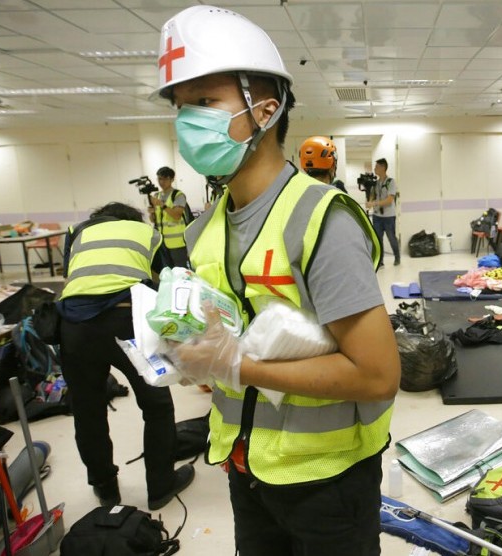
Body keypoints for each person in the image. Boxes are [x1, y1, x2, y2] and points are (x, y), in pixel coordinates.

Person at [153, 6, 400, 555]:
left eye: (204, 102)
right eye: (180, 107)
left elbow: (378, 375)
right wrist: (194, 355)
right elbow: (227, 348)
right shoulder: (205, 230)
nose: (187, 121)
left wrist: (237, 365)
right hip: (246, 465)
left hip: (327, 481)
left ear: (266, 110)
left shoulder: (320, 220)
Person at [57, 201, 194, 510]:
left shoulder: (75, 232)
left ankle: (106, 489)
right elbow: (169, 279)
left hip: (75, 325)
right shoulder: (147, 232)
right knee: (156, 406)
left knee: (88, 411)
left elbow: (72, 275)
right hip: (127, 319)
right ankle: (160, 487)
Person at [149, 166, 189, 268]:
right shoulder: (156, 195)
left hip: (177, 242)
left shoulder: (178, 195)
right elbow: (153, 220)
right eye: (159, 179)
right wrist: (152, 213)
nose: (161, 182)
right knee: (167, 269)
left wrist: (162, 205)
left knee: (180, 270)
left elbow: (177, 215)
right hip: (161, 241)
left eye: (165, 179)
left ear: (171, 179)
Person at [366, 158, 401, 267]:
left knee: (391, 238)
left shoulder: (391, 182)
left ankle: (397, 257)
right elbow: (373, 196)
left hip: (389, 217)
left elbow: (389, 200)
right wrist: (369, 201)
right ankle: (380, 261)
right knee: (378, 239)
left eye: (376, 167)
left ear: (383, 168)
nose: (375, 169)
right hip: (377, 216)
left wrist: (374, 204)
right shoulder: (376, 183)